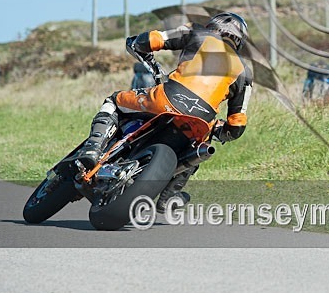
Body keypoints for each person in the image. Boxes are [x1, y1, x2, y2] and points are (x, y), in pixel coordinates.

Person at [76, 12, 253, 212]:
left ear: (213, 26)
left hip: (167, 98)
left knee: (114, 101)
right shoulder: (245, 71)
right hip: (200, 120)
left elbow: (153, 39)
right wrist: (222, 131)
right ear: (240, 40)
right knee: (200, 146)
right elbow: (237, 124)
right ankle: (169, 196)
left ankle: (93, 147)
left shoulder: (197, 32)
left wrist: (137, 44)